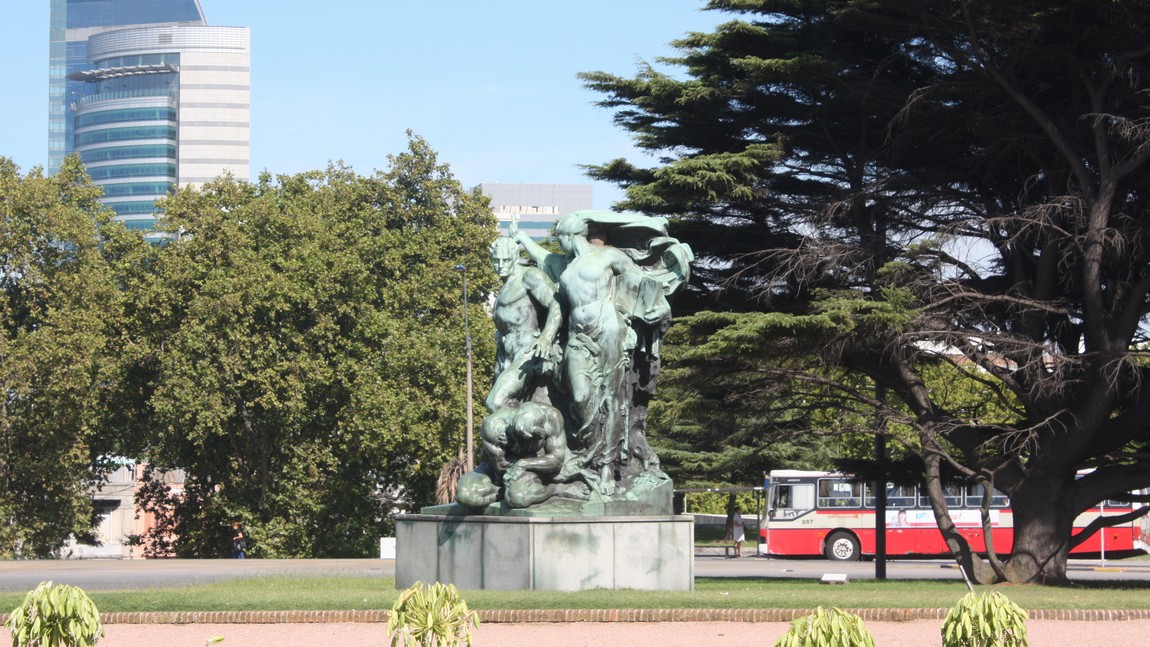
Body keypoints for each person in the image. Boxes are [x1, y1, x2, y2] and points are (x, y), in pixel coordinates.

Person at [485, 234, 563, 412]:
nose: (500, 265)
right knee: (497, 408)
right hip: (505, 354)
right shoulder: (504, 286)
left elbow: (556, 304)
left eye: (505, 260)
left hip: (527, 351)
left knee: (495, 402)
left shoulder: (530, 276)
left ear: (514, 257)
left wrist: (546, 337)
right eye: (496, 260)